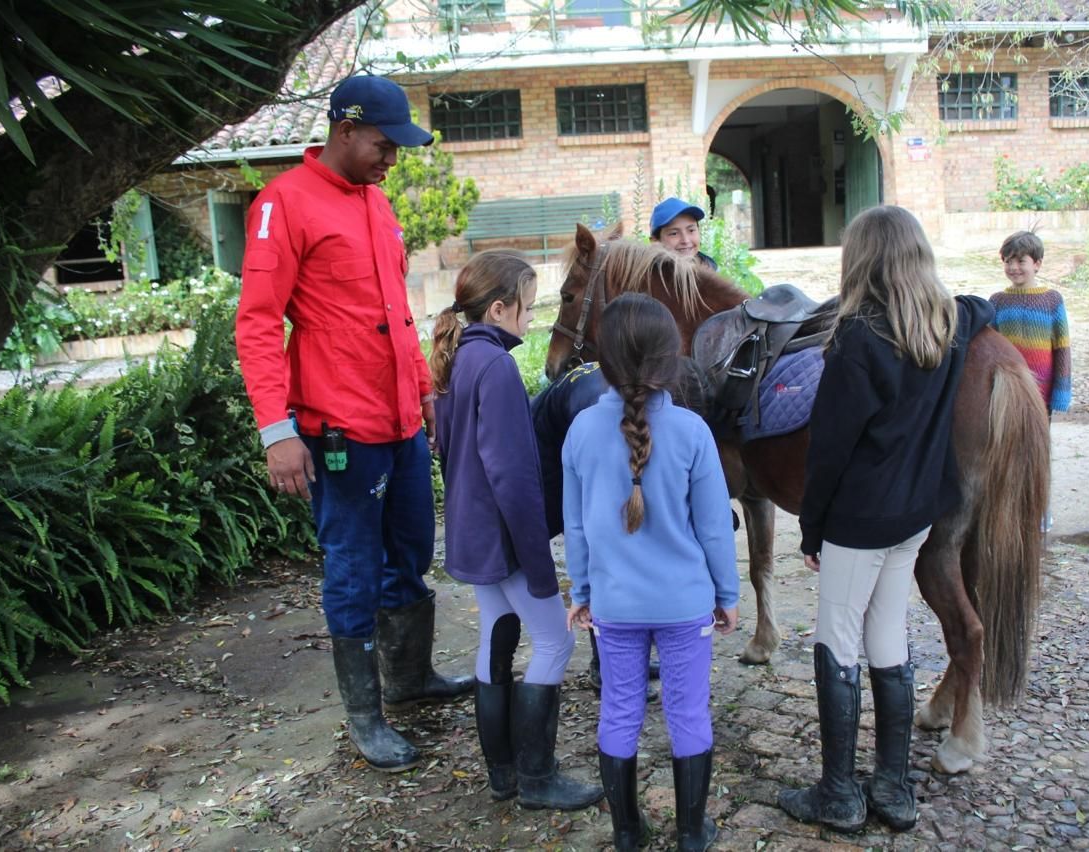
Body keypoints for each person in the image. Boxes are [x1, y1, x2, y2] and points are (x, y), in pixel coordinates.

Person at [234, 75, 472, 774]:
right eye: (383, 143)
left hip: (399, 421)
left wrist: (426, 394)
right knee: (354, 568)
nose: (392, 157)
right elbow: (255, 324)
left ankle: (409, 680)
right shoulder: (285, 205)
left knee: (412, 550)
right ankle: (367, 717)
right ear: (345, 131)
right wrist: (277, 431)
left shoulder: (375, 201)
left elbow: (395, 315)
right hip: (339, 428)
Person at [778, 206, 995, 834]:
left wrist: (811, 527)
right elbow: (984, 306)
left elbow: (829, 449)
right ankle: (894, 790)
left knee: (836, 643)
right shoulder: (950, 323)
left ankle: (840, 794)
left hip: (858, 521)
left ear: (862, 260)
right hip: (914, 520)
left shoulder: (855, 339)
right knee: (889, 641)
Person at [563, 294, 740, 852]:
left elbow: (576, 528)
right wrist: (728, 593)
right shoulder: (692, 432)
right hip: (686, 605)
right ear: (671, 357)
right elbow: (715, 528)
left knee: (618, 712)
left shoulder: (580, 431)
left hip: (614, 606)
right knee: (688, 713)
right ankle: (691, 834)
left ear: (603, 359)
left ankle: (627, 833)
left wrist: (582, 591)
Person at [431, 250, 603, 811]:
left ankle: (502, 772)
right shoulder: (498, 367)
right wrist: (537, 560)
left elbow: (450, 452)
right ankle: (537, 776)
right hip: (504, 536)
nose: (533, 320)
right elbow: (510, 473)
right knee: (556, 639)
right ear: (500, 308)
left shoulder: (459, 356)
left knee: (495, 634)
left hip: (471, 529)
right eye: (529, 308)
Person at [988, 230, 1071, 531]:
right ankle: (1006, 509)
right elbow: (989, 349)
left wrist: (1061, 392)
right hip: (1007, 394)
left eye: (1020, 261)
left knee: (1036, 453)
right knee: (1006, 452)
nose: (1014, 268)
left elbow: (1062, 347)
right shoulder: (996, 302)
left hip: (1040, 396)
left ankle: (1039, 508)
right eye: (1008, 261)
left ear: (1037, 263)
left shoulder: (1052, 301)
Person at [650, 197, 718, 270]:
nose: (686, 240)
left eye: (691, 230)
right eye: (674, 233)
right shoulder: (648, 279)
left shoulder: (711, 270)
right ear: (655, 241)